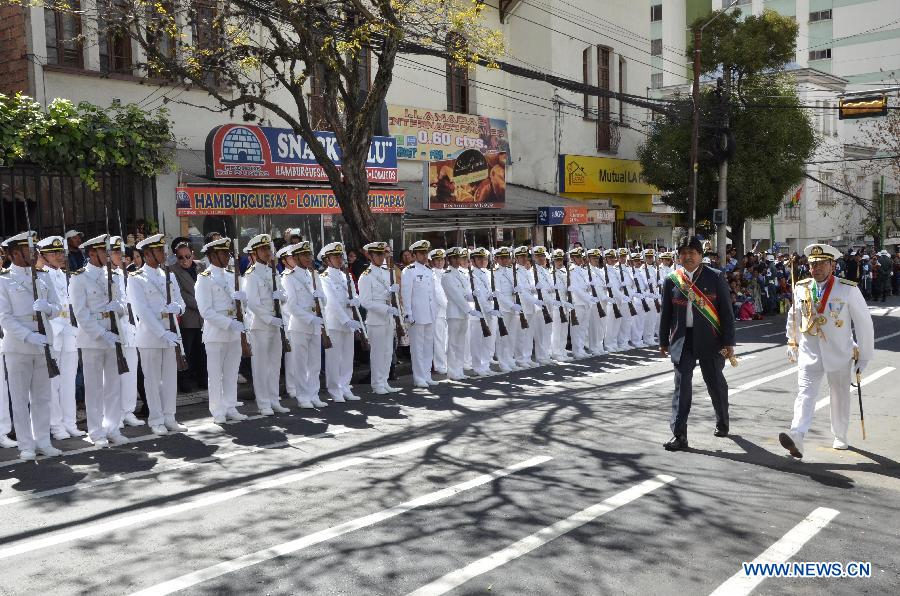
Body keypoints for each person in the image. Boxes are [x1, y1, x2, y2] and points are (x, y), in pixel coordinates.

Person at [779, 243, 874, 457]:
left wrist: (865, 356)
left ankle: (840, 435)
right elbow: (794, 316)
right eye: (813, 264)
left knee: (839, 394)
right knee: (805, 394)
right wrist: (791, 341)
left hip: (839, 352)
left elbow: (864, 324)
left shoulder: (847, 288)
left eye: (822, 263)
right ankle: (796, 435)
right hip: (809, 351)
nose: (817, 268)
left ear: (832, 265)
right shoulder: (801, 287)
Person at [659, 235, 736, 452]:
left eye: (692, 253)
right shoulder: (672, 280)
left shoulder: (715, 277)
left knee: (715, 383)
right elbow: (666, 314)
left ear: (700, 256)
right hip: (683, 340)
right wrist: (663, 341)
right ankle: (679, 434)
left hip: (711, 339)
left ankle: (722, 419)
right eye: (683, 253)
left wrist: (729, 341)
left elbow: (726, 313)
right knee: (681, 386)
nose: (687, 256)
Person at [0, 231, 63, 460]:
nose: (36, 252)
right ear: (15, 253)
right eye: (29, 249)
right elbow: (4, 317)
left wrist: (47, 307)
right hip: (19, 346)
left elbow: (57, 307)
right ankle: (25, 445)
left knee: (43, 396)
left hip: (44, 343)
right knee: (19, 397)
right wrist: (29, 335)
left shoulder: (43, 276)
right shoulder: (4, 279)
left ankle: (43, 440)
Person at [69, 234, 132, 447]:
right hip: (93, 339)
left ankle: (112, 427)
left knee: (113, 386)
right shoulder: (79, 278)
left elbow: (124, 303)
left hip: (113, 336)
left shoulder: (114, 275)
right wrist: (100, 333)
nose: (107, 253)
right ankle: (96, 431)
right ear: (91, 252)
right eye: (103, 250)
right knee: (94, 387)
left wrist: (120, 308)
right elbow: (80, 313)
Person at [128, 233, 188, 435]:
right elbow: (142, 311)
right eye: (159, 250)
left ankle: (170, 416)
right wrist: (162, 334)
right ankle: (156, 419)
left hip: (171, 332)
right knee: (152, 380)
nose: (163, 253)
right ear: (147, 254)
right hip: (151, 337)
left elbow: (182, 304)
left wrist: (177, 309)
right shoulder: (136, 278)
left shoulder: (168, 275)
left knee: (170, 378)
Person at [195, 238, 249, 423]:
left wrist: (244, 299)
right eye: (224, 253)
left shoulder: (231, 275)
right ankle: (217, 410)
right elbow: (206, 311)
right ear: (212, 256)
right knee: (216, 374)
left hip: (234, 332)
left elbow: (242, 306)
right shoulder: (204, 279)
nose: (228, 256)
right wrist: (229, 323)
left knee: (232, 371)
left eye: (228, 253)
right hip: (216, 333)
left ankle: (231, 406)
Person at [37, 236, 86, 440]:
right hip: (54, 332)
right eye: (54, 253)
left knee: (68, 381)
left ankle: (69, 422)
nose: (59, 256)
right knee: (53, 383)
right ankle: (55, 425)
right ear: (44, 256)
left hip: (68, 331)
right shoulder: (40, 276)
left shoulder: (68, 275)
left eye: (60, 252)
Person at [242, 234, 291, 415]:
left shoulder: (274, 271)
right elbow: (252, 303)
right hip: (261, 325)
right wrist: (270, 318)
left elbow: (285, 295)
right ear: (255, 252)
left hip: (276, 324)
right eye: (263, 249)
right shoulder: (251, 274)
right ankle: (263, 403)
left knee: (274, 364)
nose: (267, 252)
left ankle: (274, 399)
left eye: (268, 249)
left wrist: (282, 297)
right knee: (261, 365)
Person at [319, 241, 364, 402]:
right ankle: (334, 389)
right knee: (334, 359)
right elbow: (331, 302)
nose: (339, 259)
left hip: (349, 321)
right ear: (327, 260)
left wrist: (356, 301)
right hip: (335, 323)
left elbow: (353, 294)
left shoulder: (346, 275)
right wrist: (346, 320)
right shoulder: (324, 277)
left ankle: (345, 386)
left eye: (340, 256)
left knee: (347, 357)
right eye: (335, 256)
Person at [357, 241, 402, 394]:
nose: (381, 257)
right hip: (376, 319)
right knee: (377, 353)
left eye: (383, 254)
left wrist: (392, 292)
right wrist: (386, 308)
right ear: (371, 256)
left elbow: (388, 295)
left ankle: (384, 381)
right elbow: (365, 301)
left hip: (388, 318)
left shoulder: (386, 272)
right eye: (378, 254)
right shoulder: (366, 276)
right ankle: (376, 384)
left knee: (388, 351)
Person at [109, 236, 143, 428]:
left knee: (130, 373)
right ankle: (116, 414)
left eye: (122, 253)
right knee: (116, 375)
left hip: (130, 330)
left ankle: (128, 410)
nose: (120, 257)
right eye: (115, 253)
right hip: (117, 331)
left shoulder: (128, 276)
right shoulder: (107, 277)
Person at [172, 238, 207, 392]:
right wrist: (203, 305)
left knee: (202, 351)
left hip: (204, 318)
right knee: (187, 351)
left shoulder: (202, 266)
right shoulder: (173, 271)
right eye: (180, 257)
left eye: (188, 256)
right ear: (176, 257)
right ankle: (185, 381)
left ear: (192, 254)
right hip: (188, 317)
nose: (185, 260)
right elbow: (182, 295)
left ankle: (203, 379)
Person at [401, 240, 438, 387]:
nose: (424, 256)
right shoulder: (409, 271)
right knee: (417, 348)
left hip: (429, 313)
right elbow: (406, 293)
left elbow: (432, 295)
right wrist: (408, 312)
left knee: (429, 346)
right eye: (421, 253)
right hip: (416, 314)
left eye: (425, 253)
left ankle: (427, 375)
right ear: (414, 255)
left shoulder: (429, 271)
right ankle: (419, 377)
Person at [440, 247, 475, 381]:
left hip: (463, 313)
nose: (457, 260)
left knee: (461, 343)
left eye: (458, 258)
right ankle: (452, 371)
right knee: (453, 343)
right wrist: (469, 309)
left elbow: (466, 294)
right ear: (449, 259)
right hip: (454, 313)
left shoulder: (462, 274)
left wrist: (475, 296)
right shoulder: (446, 275)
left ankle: (459, 369)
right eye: (454, 258)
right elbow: (455, 296)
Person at [468, 247, 496, 376]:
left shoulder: (488, 273)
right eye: (479, 258)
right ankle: (477, 366)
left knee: (488, 340)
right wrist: (489, 309)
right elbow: (478, 297)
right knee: (477, 342)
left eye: (484, 258)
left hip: (489, 311)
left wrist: (492, 297)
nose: (483, 261)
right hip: (478, 312)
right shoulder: (471, 275)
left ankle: (485, 364)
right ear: (473, 261)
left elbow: (488, 292)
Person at [430, 248, 449, 375]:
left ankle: (445, 363)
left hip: (448, 311)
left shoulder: (446, 273)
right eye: (437, 260)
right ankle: (439, 365)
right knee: (438, 340)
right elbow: (438, 295)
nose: (440, 262)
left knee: (446, 339)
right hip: (438, 311)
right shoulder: (431, 274)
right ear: (432, 261)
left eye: (442, 259)